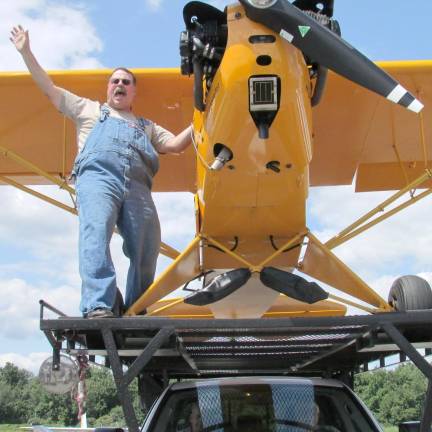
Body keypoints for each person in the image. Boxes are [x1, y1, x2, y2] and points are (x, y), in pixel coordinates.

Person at [10, 25, 192, 318]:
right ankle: (99, 304)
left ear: (134, 90)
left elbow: (174, 144)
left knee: (147, 246)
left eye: (126, 82)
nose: (119, 85)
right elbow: (49, 90)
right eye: (114, 81)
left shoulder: (146, 126)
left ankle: (135, 308)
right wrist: (26, 52)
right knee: (95, 235)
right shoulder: (88, 110)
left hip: (138, 187)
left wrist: (204, 118)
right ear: (108, 89)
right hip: (98, 180)